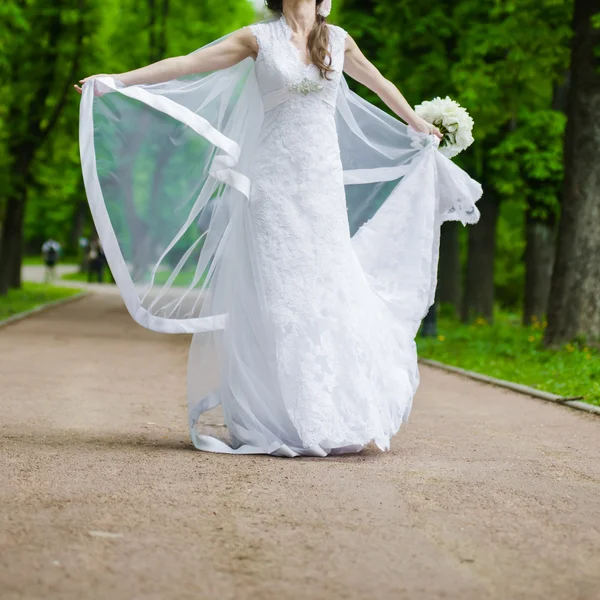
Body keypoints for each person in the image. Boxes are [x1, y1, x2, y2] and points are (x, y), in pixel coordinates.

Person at [76, 0, 482, 456]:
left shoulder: (340, 40)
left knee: (325, 287)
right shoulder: (257, 39)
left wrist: (416, 121)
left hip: (321, 185)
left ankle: (330, 410)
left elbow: (379, 82)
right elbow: (189, 64)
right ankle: (278, 414)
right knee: (278, 293)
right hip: (272, 184)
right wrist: (117, 82)